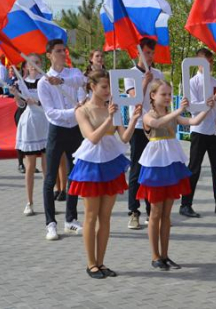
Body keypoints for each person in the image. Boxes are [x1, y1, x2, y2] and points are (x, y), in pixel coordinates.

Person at [68, 70, 141, 278]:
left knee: (105, 217)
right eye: (104, 87)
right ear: (92, 87)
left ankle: (101, 262)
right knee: (91, 216)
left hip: (110, 162)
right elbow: (92, 137)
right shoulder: (82, 110)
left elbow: (125, 138)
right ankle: (91, 263)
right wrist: (109, 118)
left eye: (109, 87)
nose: (108, 91)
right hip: (91, 164)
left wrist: (134, 119)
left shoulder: (114, 109)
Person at [139, 79, 212, 270]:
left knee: (166, 214)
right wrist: (178, 111)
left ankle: (164, 255)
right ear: (153, 96)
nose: (168, 98)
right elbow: (155, 123)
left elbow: (193, 121)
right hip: (156, 165)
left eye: (169, 94)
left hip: (171, 162)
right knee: (155, 212)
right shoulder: (147, 115)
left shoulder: (171, 114)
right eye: (164, 94)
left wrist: (207, 108)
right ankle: (155, 255)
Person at [37, 39, 86, 240]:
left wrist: (63, 83)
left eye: (63, 50)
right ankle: (50, 223)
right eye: (57, 51)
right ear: (49, 55)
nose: (62, 54)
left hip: (74, 130)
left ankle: (70, 220)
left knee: (75, 176)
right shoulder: (43, 82)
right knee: (50, 179)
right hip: (57, 131)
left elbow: (82, 83)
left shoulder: (72, 74)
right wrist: (73, 111)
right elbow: (51, 113)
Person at [180, 48, 216, 218]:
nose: (209, 65)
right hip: (200, 130)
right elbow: (192, 107)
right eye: (206, 62)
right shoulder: (192, 82)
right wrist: (211, 100)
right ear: (198, 63)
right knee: (194, 168)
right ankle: (185, 204)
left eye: (211, 62)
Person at [125, 38, 164, 230]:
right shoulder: (130, 74)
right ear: (139, 53)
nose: (150, 56)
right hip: (139, 127)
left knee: (153, 169)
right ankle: (134, 211)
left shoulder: (158, 74)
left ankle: (152, 210)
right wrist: (144, 83)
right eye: (146, 53)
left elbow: (162, 100)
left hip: (156, 127)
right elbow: (135, 101)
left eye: (151, 53)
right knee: (137, 169)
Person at [12, 54, 49, 215]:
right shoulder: (21, 83)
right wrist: (15, 94)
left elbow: (50, 102)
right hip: (29, 123)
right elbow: (20, 104)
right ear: (26, 66)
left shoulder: (46, 81)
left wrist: (38, 102)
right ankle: (29, 202)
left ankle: (48, 202)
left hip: (45, 122)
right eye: (30, 63)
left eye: (36, 63)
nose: (33, 65)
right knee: (30, 166)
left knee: (47, 166)